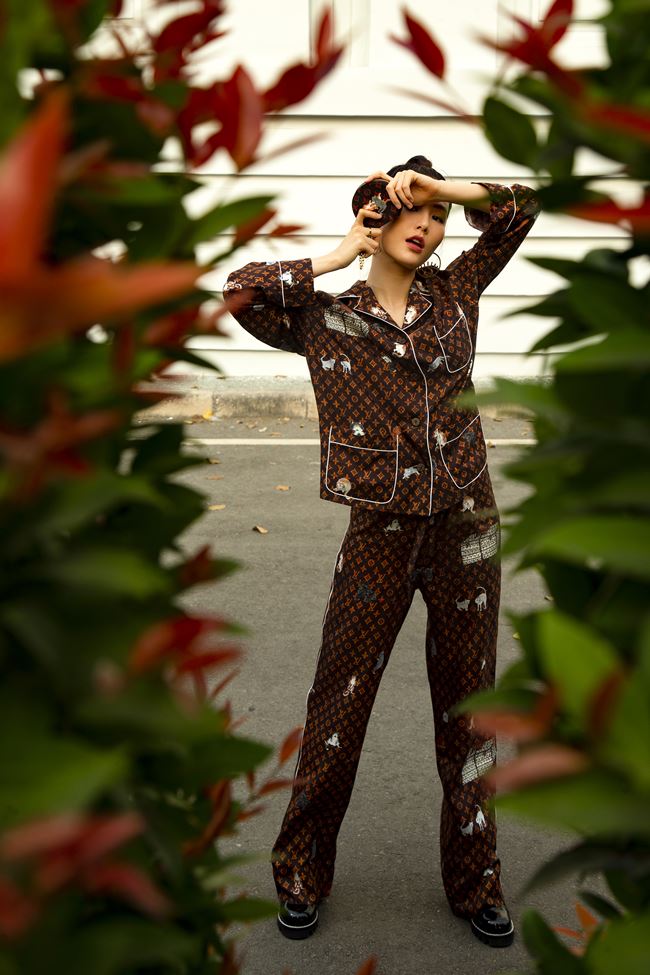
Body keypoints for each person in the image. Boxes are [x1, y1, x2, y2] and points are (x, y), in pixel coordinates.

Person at [223, 155, 540, 948]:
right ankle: (300, 872)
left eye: (432, 214)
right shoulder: (326, 318)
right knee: (340, 704)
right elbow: (240, 293)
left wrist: (444, 188)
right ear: (373, 218)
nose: (423, 224)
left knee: (470, 712)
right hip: (379, 533)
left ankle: (477, 880)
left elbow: (522, 206)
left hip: (466, 525)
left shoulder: (457, 292)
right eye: (405, 207)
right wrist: (336, 254)